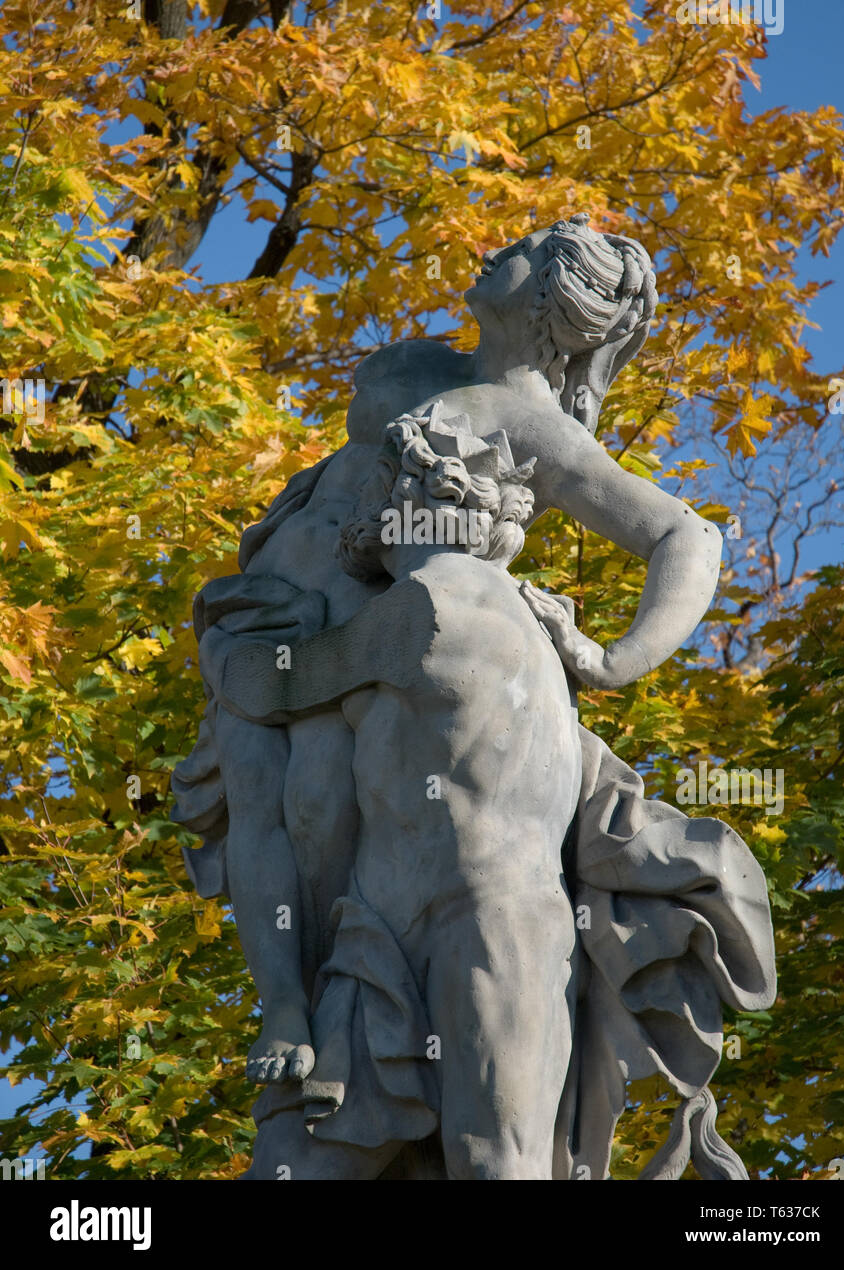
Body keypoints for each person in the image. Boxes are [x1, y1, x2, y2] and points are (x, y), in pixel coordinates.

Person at [172, 213, 772, 1180]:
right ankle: (286, 1003)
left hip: (361, 672)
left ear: (550, 301)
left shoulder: (524, 419)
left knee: (314, 802)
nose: (495, 245)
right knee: (277, 801)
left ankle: (309, 1015)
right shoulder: (412, 366)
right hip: (283, 634)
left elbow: (686, 538)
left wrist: (611, 659)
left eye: (527, 248)